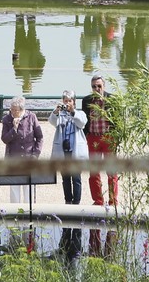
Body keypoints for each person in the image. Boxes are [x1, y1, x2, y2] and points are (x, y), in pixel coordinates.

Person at [83, 72, 119, 206]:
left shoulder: (112, 100)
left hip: (108, 137)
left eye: (99, 86)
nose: (96, 89)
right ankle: (98, 200)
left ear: (104, 86)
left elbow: (117, 119)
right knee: (94, 172)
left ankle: (113, 201)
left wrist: (115, 137)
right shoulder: (87, 101)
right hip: (93, 138)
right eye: (93, 86)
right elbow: (85, 120)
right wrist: (87, 135)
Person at [0, 96, 43, 202]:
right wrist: (14, 129)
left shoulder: (31, 117)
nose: (13, 112)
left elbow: (40, 137)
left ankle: (29, 213)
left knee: (28, 188)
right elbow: (4, 139)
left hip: (29, 158)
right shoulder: (7, 119)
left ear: (22, 110)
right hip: (13, 159)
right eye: (12, 109)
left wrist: (35, 155)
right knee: (14, 189)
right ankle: (15, 214)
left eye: (16, 110)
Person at [50, 89, 88, 204]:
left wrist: (72, 112)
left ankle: (76, 201)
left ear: (74, 102)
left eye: (70, 101)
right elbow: (52, 121)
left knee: (76, 178)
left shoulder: (80, 113)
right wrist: (56, 111)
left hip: (75, 151)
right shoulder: (60, 114)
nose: (67, 103)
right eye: (65, 101)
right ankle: (68, 200)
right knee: (65, 178)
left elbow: (81, 123)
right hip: (63, 151)